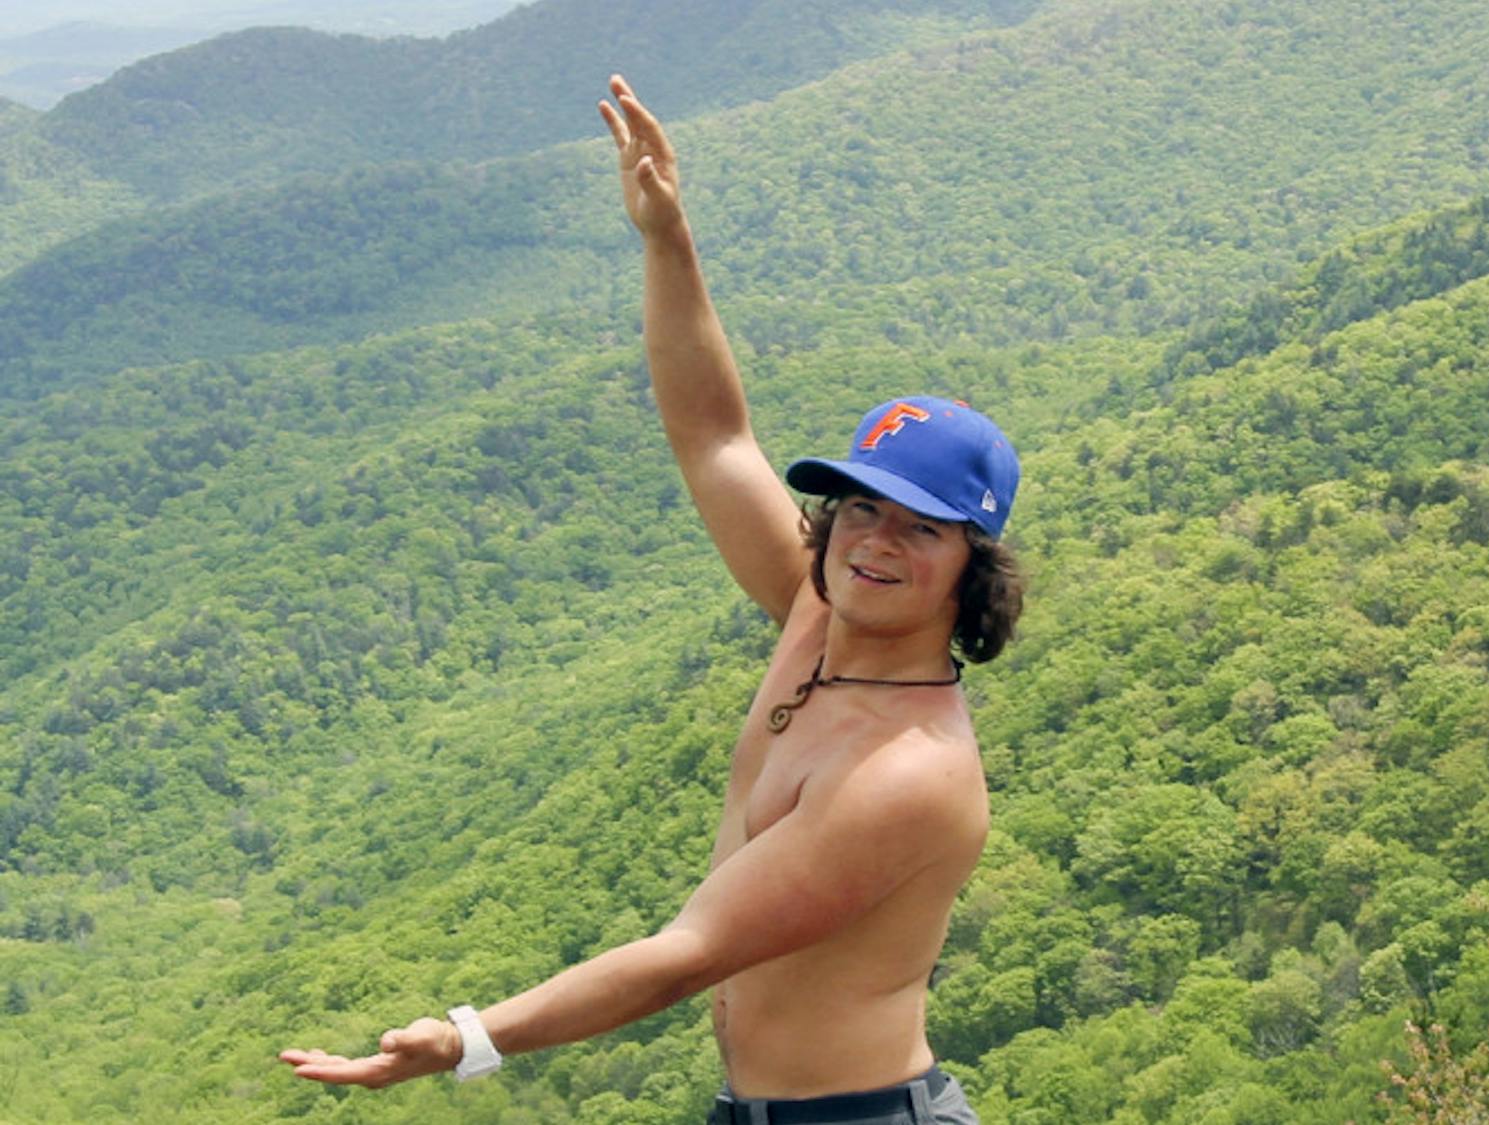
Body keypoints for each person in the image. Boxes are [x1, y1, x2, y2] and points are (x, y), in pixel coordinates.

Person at [279, 74, 1023, 1125]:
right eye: (857, 509)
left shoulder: (911, 771)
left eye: (919, 528)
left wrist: (469, 1039)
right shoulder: (819, 618)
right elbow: (715, 438)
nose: (874, 541)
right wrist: (666, 239)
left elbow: (686, 957)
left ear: (972, 569)